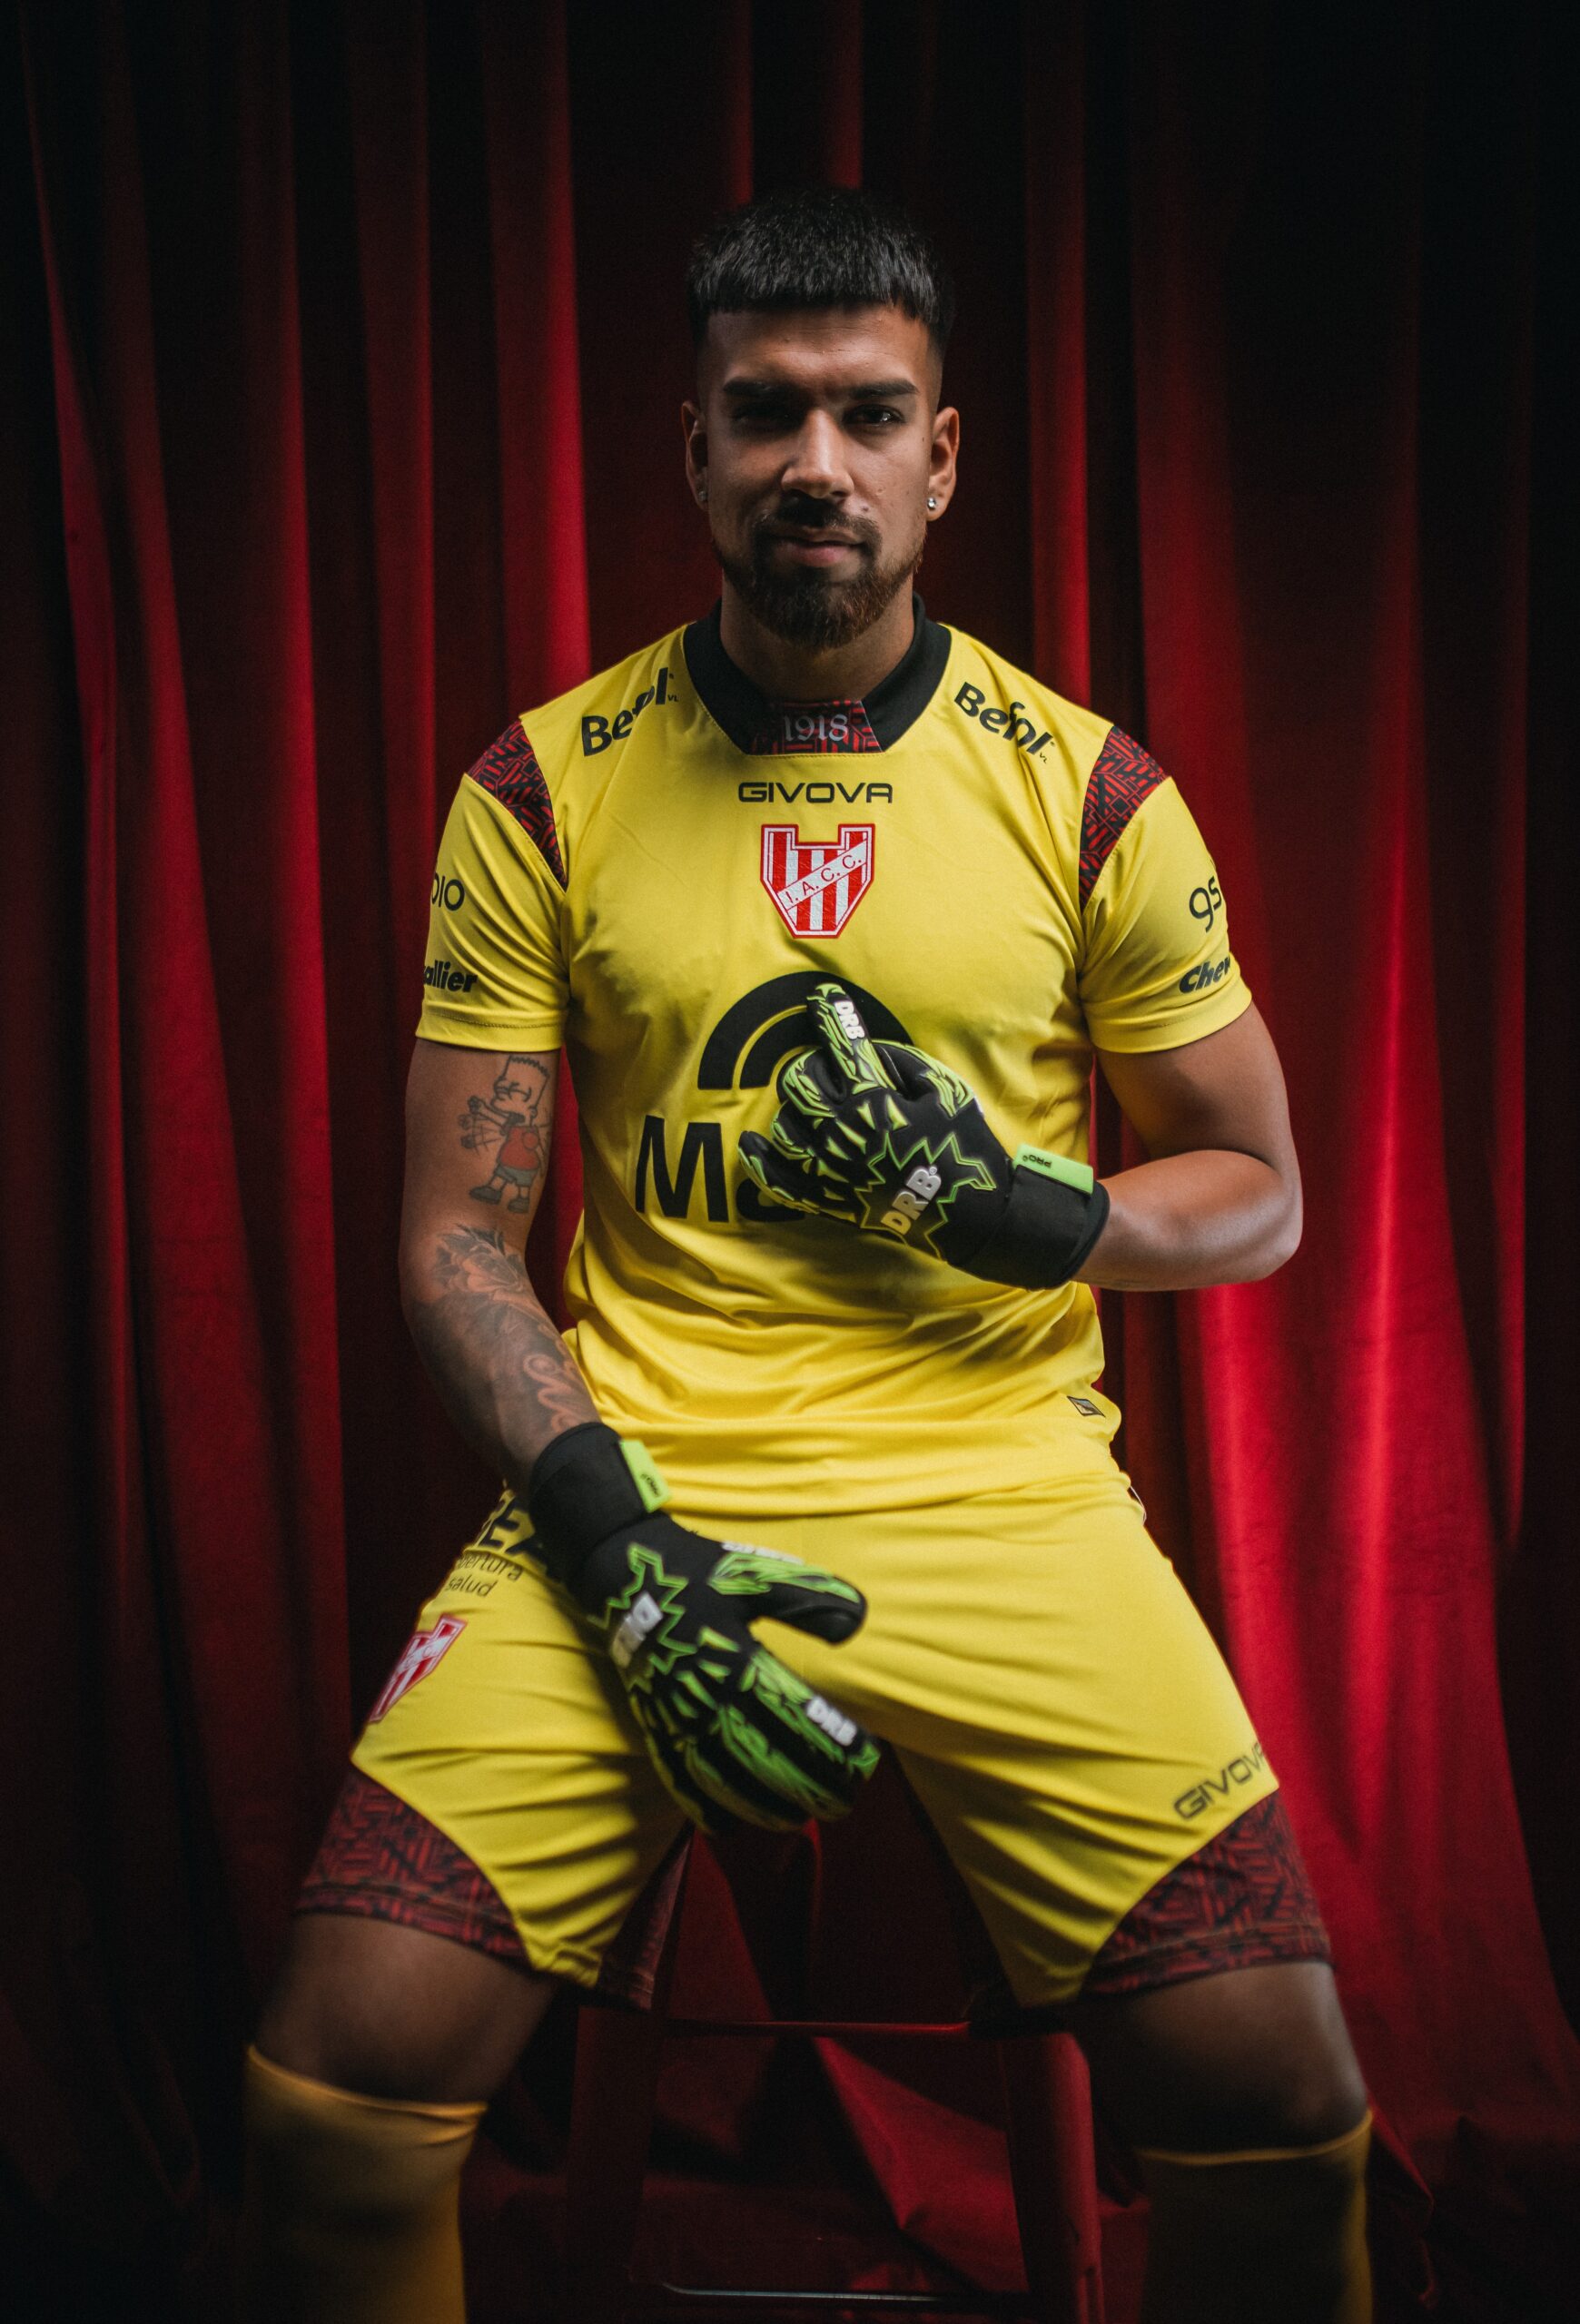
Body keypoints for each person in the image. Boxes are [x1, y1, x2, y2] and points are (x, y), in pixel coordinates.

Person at [238, 187, 1372, 2323]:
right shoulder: (541, 788)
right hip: (638, 1492)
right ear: (695, 451)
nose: (815, 465)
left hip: (1005, 1494)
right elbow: (455, 1237)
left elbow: (1263, 1183)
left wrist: (1046, 1215)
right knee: (330, 2094)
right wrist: (609, 1535)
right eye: (765, 414)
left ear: (944, 457)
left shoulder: (1086, 792)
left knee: (1283, 2121)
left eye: (868, 416)